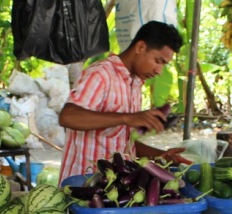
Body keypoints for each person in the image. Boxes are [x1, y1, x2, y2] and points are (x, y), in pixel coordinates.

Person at [58, 21, 188, 183]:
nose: (159, 71)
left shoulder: (135, 84)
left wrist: (160, 154)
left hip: (115, 185)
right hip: (84, 184)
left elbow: (123, 142)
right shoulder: (100, 75)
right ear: (140, 47)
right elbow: (68, 117)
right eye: (158, 61)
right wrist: (127, 118)